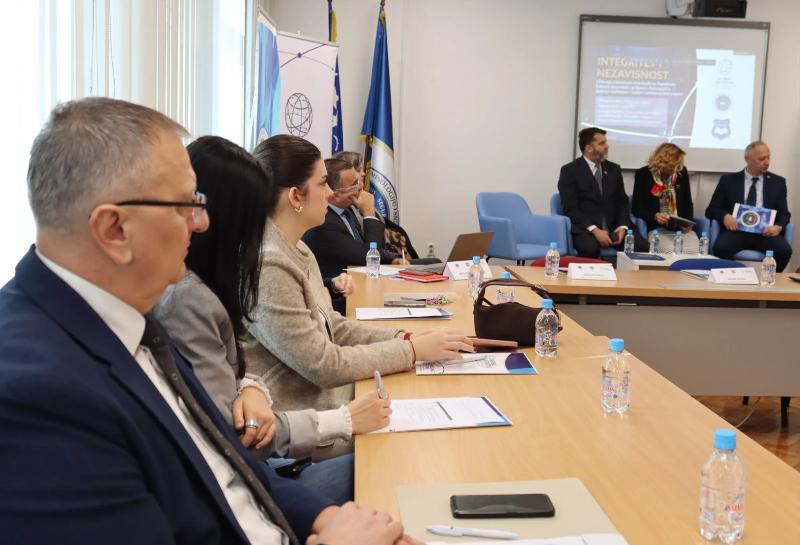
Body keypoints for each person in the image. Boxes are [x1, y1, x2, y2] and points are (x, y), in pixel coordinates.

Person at [0, 97, 422, 545]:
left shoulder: (123, 314)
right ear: (114, 230)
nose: (201, 223)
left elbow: (226, 467)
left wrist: (326, 518)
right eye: (185, 204)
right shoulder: (36, 393)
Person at [153, 136, 392, 504]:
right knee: (391, 462)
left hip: (271, 456)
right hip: (256, 478)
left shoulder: (213, 280)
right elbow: (232, 436)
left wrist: (250, 387)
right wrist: (343, 420)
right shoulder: (191, 297)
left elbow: (231, 376)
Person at [248, 134, 473, 414]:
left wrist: (404, 337)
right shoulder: (269, 265)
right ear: (295, 196)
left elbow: (334, 327)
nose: (330, 193)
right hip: (297, 416)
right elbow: (324, 365)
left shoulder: (298, 249)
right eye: (323, 183)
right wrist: (413, 351)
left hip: (319, 404)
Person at [301, 158, 407, 280]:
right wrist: (369, 213)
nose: (361, 186)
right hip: (339, 287)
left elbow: (361, 247)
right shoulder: (323, 223)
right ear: (335, 195)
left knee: (424, 265)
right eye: (354, 185)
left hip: (361, 277)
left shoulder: (346, 210)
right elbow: (367, 256)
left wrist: (392, 258)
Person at [557, 127, 648, 258]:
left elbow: (622, 202)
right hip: (586, 229)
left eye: (606, 142)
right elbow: (571, 209)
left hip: (614, 227)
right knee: (590, 249)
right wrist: (595, 230)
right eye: (602, 143)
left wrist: (623, 226)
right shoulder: (570, 171)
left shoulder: (614, 169)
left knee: (642, 246)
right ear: (589, 148)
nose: (607, 146)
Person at [705, 141, 793, 271]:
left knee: (784, 251)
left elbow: (784, 214)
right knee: (720, 247)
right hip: (737, 232)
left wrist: (778, 227)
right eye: (762, 159)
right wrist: (725, 216)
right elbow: (711, 210)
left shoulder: (778, 183)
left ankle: (769, 279)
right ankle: (731, 277)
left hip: (765, 234)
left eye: (768, 158)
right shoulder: (728, 181)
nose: (767, 162)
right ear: (747, 159)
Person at [333, 150, 427, 261]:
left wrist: (393, 258)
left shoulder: (356, 204)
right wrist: (368, 213)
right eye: (358, 170)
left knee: (434, 263)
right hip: (371, 261)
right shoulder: (344, 210)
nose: (363, 174)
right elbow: (368, 249)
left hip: (381, 256)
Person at [632, 143, 699, 254]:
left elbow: (688, 203)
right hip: (657, 229)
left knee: (694, 251)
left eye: (678, 166)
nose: (675, 169)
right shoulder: (643, 174)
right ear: (662, 162)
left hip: (680, 230)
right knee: (671, 251)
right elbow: (637, 208)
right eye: (672, 166)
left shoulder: (681, 172)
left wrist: (688, 224)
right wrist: (655, 216)